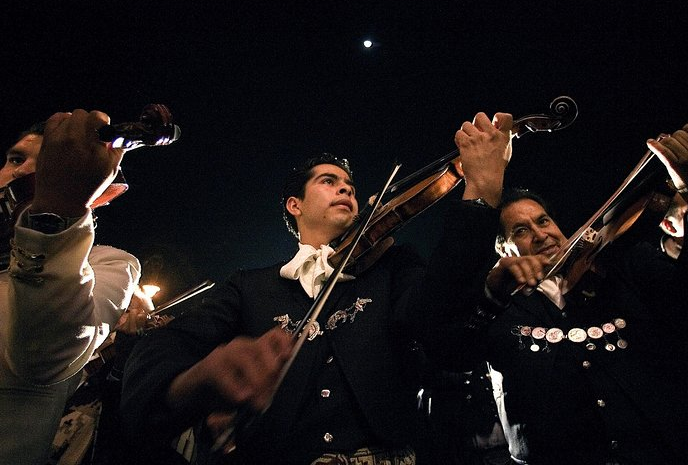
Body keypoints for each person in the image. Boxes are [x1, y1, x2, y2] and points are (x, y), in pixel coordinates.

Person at [120, 112, 514, 464]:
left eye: (350, 186)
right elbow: (169, 343)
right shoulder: (250, 285)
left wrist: (481, 195)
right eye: (330, 182)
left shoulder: (394, 269)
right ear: (295, 205)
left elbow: (444, 326)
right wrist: (193, 381)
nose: (347, 189)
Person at [458, 121, 688, 464]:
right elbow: (453, 347)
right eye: (521, 230)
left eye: (544, 221)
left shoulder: (620, 268)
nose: (540, 234)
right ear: (504, 251)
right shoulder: (498, 304)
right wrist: (491, 295)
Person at [0, 111, 142, 465]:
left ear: (103, 194)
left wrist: (56, 211)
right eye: (15, 158)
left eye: (48, 165)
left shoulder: (110, 264)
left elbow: (45, 353)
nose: (19, 171)